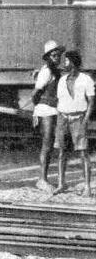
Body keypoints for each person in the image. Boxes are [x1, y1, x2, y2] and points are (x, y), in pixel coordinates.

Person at [53, 50, 94, 197]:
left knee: (83, 152)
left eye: (66, 61)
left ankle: (87, 186)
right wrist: (60, 119)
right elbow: (59, 101)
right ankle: (61, 183)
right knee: (62, 152)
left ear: (73, 62)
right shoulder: (62, 80)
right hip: (62, 118)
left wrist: (85, 120)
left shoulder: (86, 79)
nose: (64, 63)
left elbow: (91, 102)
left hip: (79, 119)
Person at [31, 40, 64, 192]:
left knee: (50, 145)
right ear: (48, 57)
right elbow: (36, 93)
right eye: (54, 55)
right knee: (47, 144)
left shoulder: (55, 71)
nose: (57, 57)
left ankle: (44, 178)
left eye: (59, 55)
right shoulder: (46, 71)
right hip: (45, 111)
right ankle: (42, 180)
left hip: (52, 110)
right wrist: (36, 108)